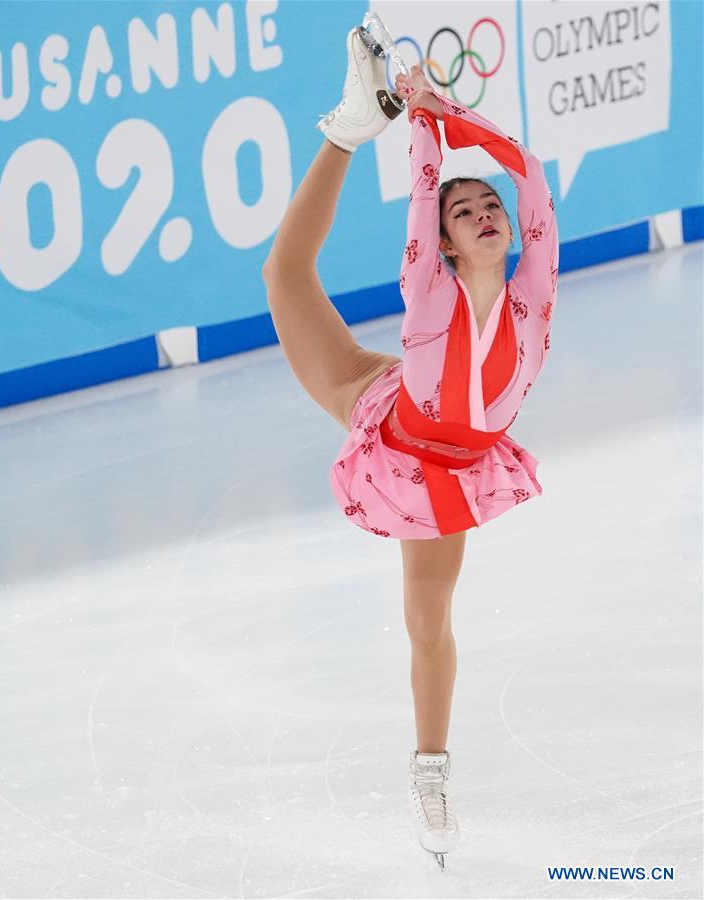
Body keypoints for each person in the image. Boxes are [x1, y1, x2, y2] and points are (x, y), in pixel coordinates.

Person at [262, 25, 558, 869]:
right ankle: (349, 127)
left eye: (488, 206)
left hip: (447, 467)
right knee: (283, 276)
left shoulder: (534, 289)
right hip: (394, 430)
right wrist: (417, 120)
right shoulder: (427, 288)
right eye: (464, 213)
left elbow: (527, 173)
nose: (486, 213)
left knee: (428, 624)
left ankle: (431, 773)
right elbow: (425, 186)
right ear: (445, 241)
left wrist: (451, 107)